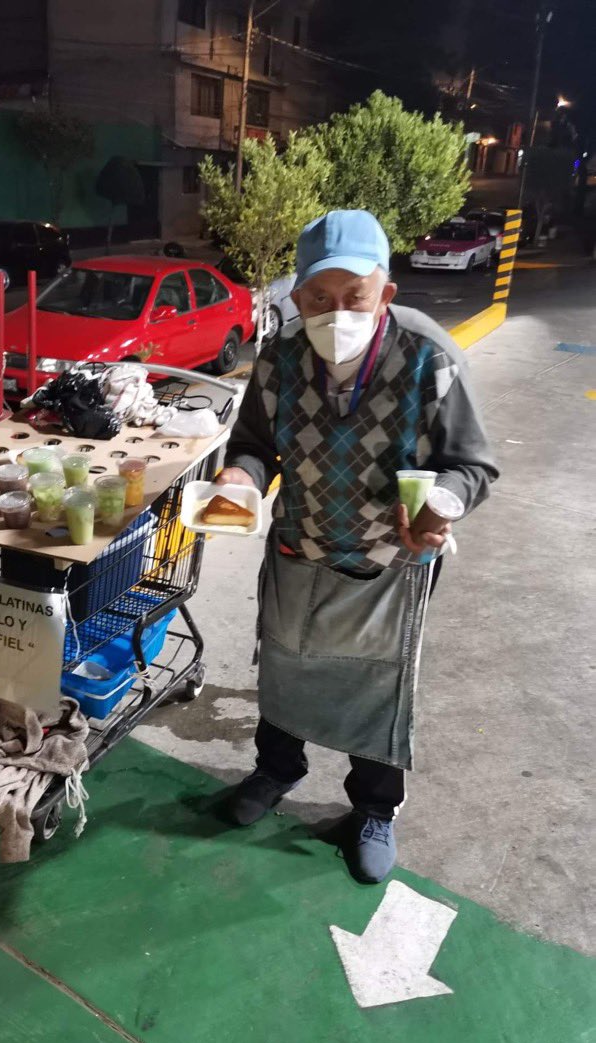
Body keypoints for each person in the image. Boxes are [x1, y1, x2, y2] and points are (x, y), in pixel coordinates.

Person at [218, 210, 498, 883]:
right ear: (298, 295)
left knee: (379, 689)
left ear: (386, 295)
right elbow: (255, 444)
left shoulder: (429, 360)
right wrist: (239, 478)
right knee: (285, 666)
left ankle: (374, 809)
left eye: (354, 298)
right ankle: (275, 770)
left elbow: (473, 464)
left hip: (390, 565)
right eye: (319, 298)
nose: (334, 312)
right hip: (299, 550)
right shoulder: (281, 359)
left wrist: (443, 505)